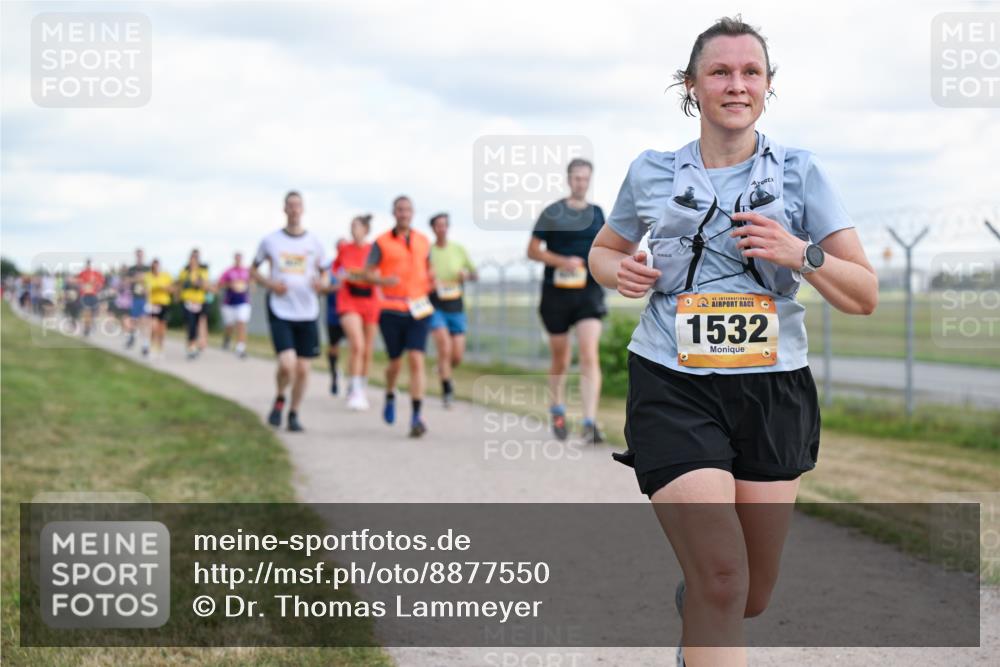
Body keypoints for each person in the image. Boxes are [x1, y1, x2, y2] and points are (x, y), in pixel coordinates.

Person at [587, 17, 878, 667]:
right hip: (672, 379)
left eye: (751, 72)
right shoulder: (651, 172)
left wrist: (802, 254)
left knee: (748, 594)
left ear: (769, 86)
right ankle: (709, 598)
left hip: (773, 389)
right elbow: (601, 253)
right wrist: (621, 270)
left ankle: (703, 612)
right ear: (692, 85)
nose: (736, 83)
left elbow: (864, 293)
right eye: (720, 70)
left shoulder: (801, 175)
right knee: (724, 575)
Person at [528, 158, 607, 444]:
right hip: (556, 293)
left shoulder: (598, 213)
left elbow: (607, 247)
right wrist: (563, 261)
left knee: (588, 353)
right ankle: (557, 409)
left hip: (588, 293)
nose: (580, 183)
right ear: (568, 179)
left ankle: (589, 421)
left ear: (590, 180)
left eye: (585, 179)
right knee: (561, 358)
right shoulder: (552, 212)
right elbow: (533, 251)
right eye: (576, 178)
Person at [251, 191, 329, 432]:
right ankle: (280, 396)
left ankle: (293, 413)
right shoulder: (271, 241)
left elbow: (325, 272)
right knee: (287, 364)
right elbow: (253, 270)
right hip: (281, 309)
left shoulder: (314, 242)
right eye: (290, 206)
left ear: (303, 209)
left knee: (304, 368)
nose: (294, 210)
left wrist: (322, 284)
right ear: (284, 209)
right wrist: (270, 284)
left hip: (307, 310)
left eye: (298, 206)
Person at [362, 195, 433, 437]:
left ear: (413, 213)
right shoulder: (381, 242)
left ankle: (416, 416)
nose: (404, 214)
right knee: (395, 363)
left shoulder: (424, 241)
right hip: (391, 309)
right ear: (394, 213)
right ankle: (390, 393)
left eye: (407, 210)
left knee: (416, 359)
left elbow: (428, 270)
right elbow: (366, 274)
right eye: (400, 210)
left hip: (419, 309)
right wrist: (382, 280)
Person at [428, 213, 477, 408]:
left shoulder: (458, 249)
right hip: (435, 305)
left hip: (456, 306)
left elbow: (475, 273)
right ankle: (447, 390)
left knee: (456, 354)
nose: (442, 229)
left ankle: (443, 367)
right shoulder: (427, 251)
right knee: (444, 347)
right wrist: (430, 281)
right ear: (433, 228)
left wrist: (466, 274)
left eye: (445, 225)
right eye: (438, 225)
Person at [333, 215, 381, 411]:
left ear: (366, 230)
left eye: (357, 226)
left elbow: (381, 273)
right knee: (357, 344)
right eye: (351, 226)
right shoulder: (345, 248)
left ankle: (361, 385)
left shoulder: (374, 250)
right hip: (348, 300)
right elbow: (336, 269)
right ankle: (354, 389)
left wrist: (370, 276)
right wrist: (342, 275)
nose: (353, 230)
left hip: (370, 301)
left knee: (367, 349)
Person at [218, 252, 252, 358]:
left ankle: (240, 347)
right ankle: (227, 339)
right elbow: (220, 284)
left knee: (241, 322)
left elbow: (252, 282)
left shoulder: (247, 271)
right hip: (229, 302)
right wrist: (231, 284)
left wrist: (248, 285)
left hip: (243, 301)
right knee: (230, 325)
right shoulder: (228, 272)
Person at [177, 249, 210, 359]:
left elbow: (206, 285)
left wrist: (199, 283)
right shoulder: (184, 272)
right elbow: (179, 285)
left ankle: (197, 344)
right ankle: (191, 346)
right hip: (187, 302)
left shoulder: (203, 271)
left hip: (199, 302)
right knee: (190, 325)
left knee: (198, 324)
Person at [143, 258, 174, 359]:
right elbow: (146, 290)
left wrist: (163, 288)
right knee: (153, 327)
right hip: (153, 304)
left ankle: (160, 348)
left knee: (162, 329)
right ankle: (152, 347)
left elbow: (172, 289)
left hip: (164, 304)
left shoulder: (165, 276)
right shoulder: (148, 276)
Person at [325, 259, 345, 395]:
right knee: (334, 347)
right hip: (334, 313)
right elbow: (324, 288)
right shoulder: (329, 268)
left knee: (358, 347)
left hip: (351, 312)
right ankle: (334, 377)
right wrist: (337, 287)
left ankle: (354, 383)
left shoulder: (355, 265)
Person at [124, 248, 150, 353]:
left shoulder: (147, 268)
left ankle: (145, 345)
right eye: (138, 255)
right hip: (134, 298)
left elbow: (150, 281)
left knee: (144, 321)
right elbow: (127, 281)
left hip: (144, 298)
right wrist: (137, 278)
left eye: (141, 255)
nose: (139, 256)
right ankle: (132, 336)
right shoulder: (132, 269)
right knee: (133, 321)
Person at [76, 258, 105, 336]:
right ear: (86, 264)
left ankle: (90, 324)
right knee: (86, 312)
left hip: (93, 295)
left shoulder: (96, 273)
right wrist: (82, 285)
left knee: (92, 313)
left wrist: (98, 286)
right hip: (85, 295)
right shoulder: (82, 273)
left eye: (90, 264)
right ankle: (87, 329)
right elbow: (78, 282)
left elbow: (101, 282)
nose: (88, 265)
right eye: (87, 263)